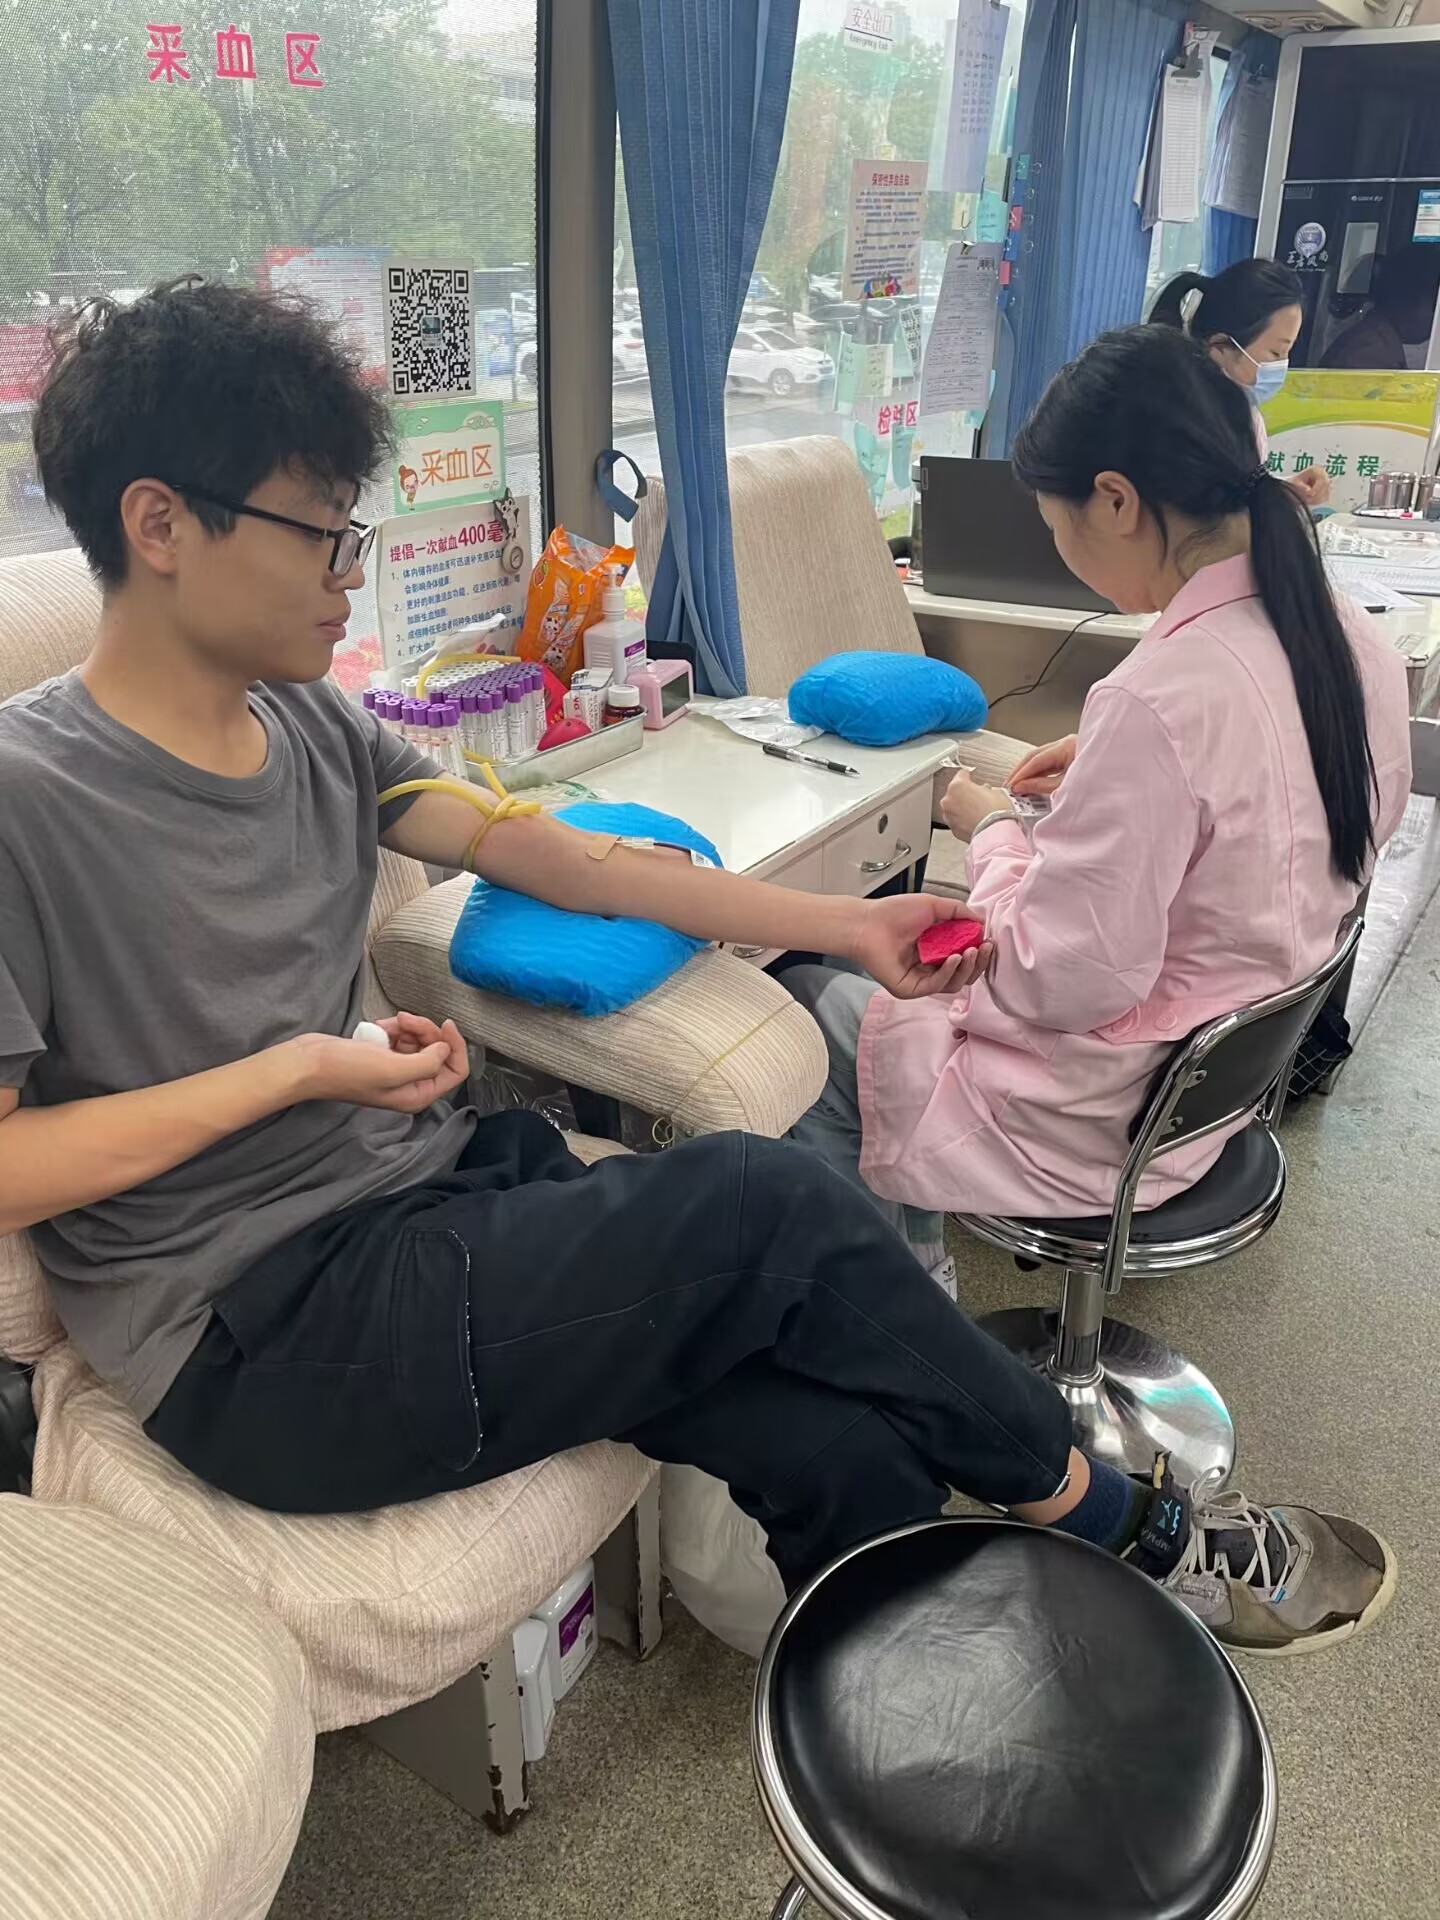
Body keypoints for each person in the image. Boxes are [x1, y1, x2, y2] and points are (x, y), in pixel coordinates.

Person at [0, 284, 1392, 1664]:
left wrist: (844, 925)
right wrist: (301, 1070)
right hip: (256, 1334)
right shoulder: (25, 803)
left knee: (844, 1444)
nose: (346, 577)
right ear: (160, 524)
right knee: (760, 1200)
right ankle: (1136, 1529)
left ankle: (930, 1720)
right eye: (320, 536)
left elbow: (563, 858)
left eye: (350, 536)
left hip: (422, 1203)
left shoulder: (314, 725)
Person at [784, 320, 1411, 1651]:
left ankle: (911, 1353)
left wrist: (992, 831)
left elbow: (1061, 980)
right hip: (1216, 1088)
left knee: (813, 1014)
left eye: (1061, 522)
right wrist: (1102, 787)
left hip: (1109, 1112)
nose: (1065, 548)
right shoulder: (1343, 637)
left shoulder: (1164, 700)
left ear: (1118, 499)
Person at [1150, 261, 1330, 506]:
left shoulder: (1244, 412)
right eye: (1276, 352)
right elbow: (1199, 507)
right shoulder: (1178, 414)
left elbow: (1237, 489)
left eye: (1288, 352)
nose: (1282, 365)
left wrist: (1286, 489)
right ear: (1221, 346)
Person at [1320, 242, 1440, 370]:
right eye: (1434, 306)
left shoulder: (1378, 341)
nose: (1434, 318)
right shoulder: (1368, 353)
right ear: (1406, 298)